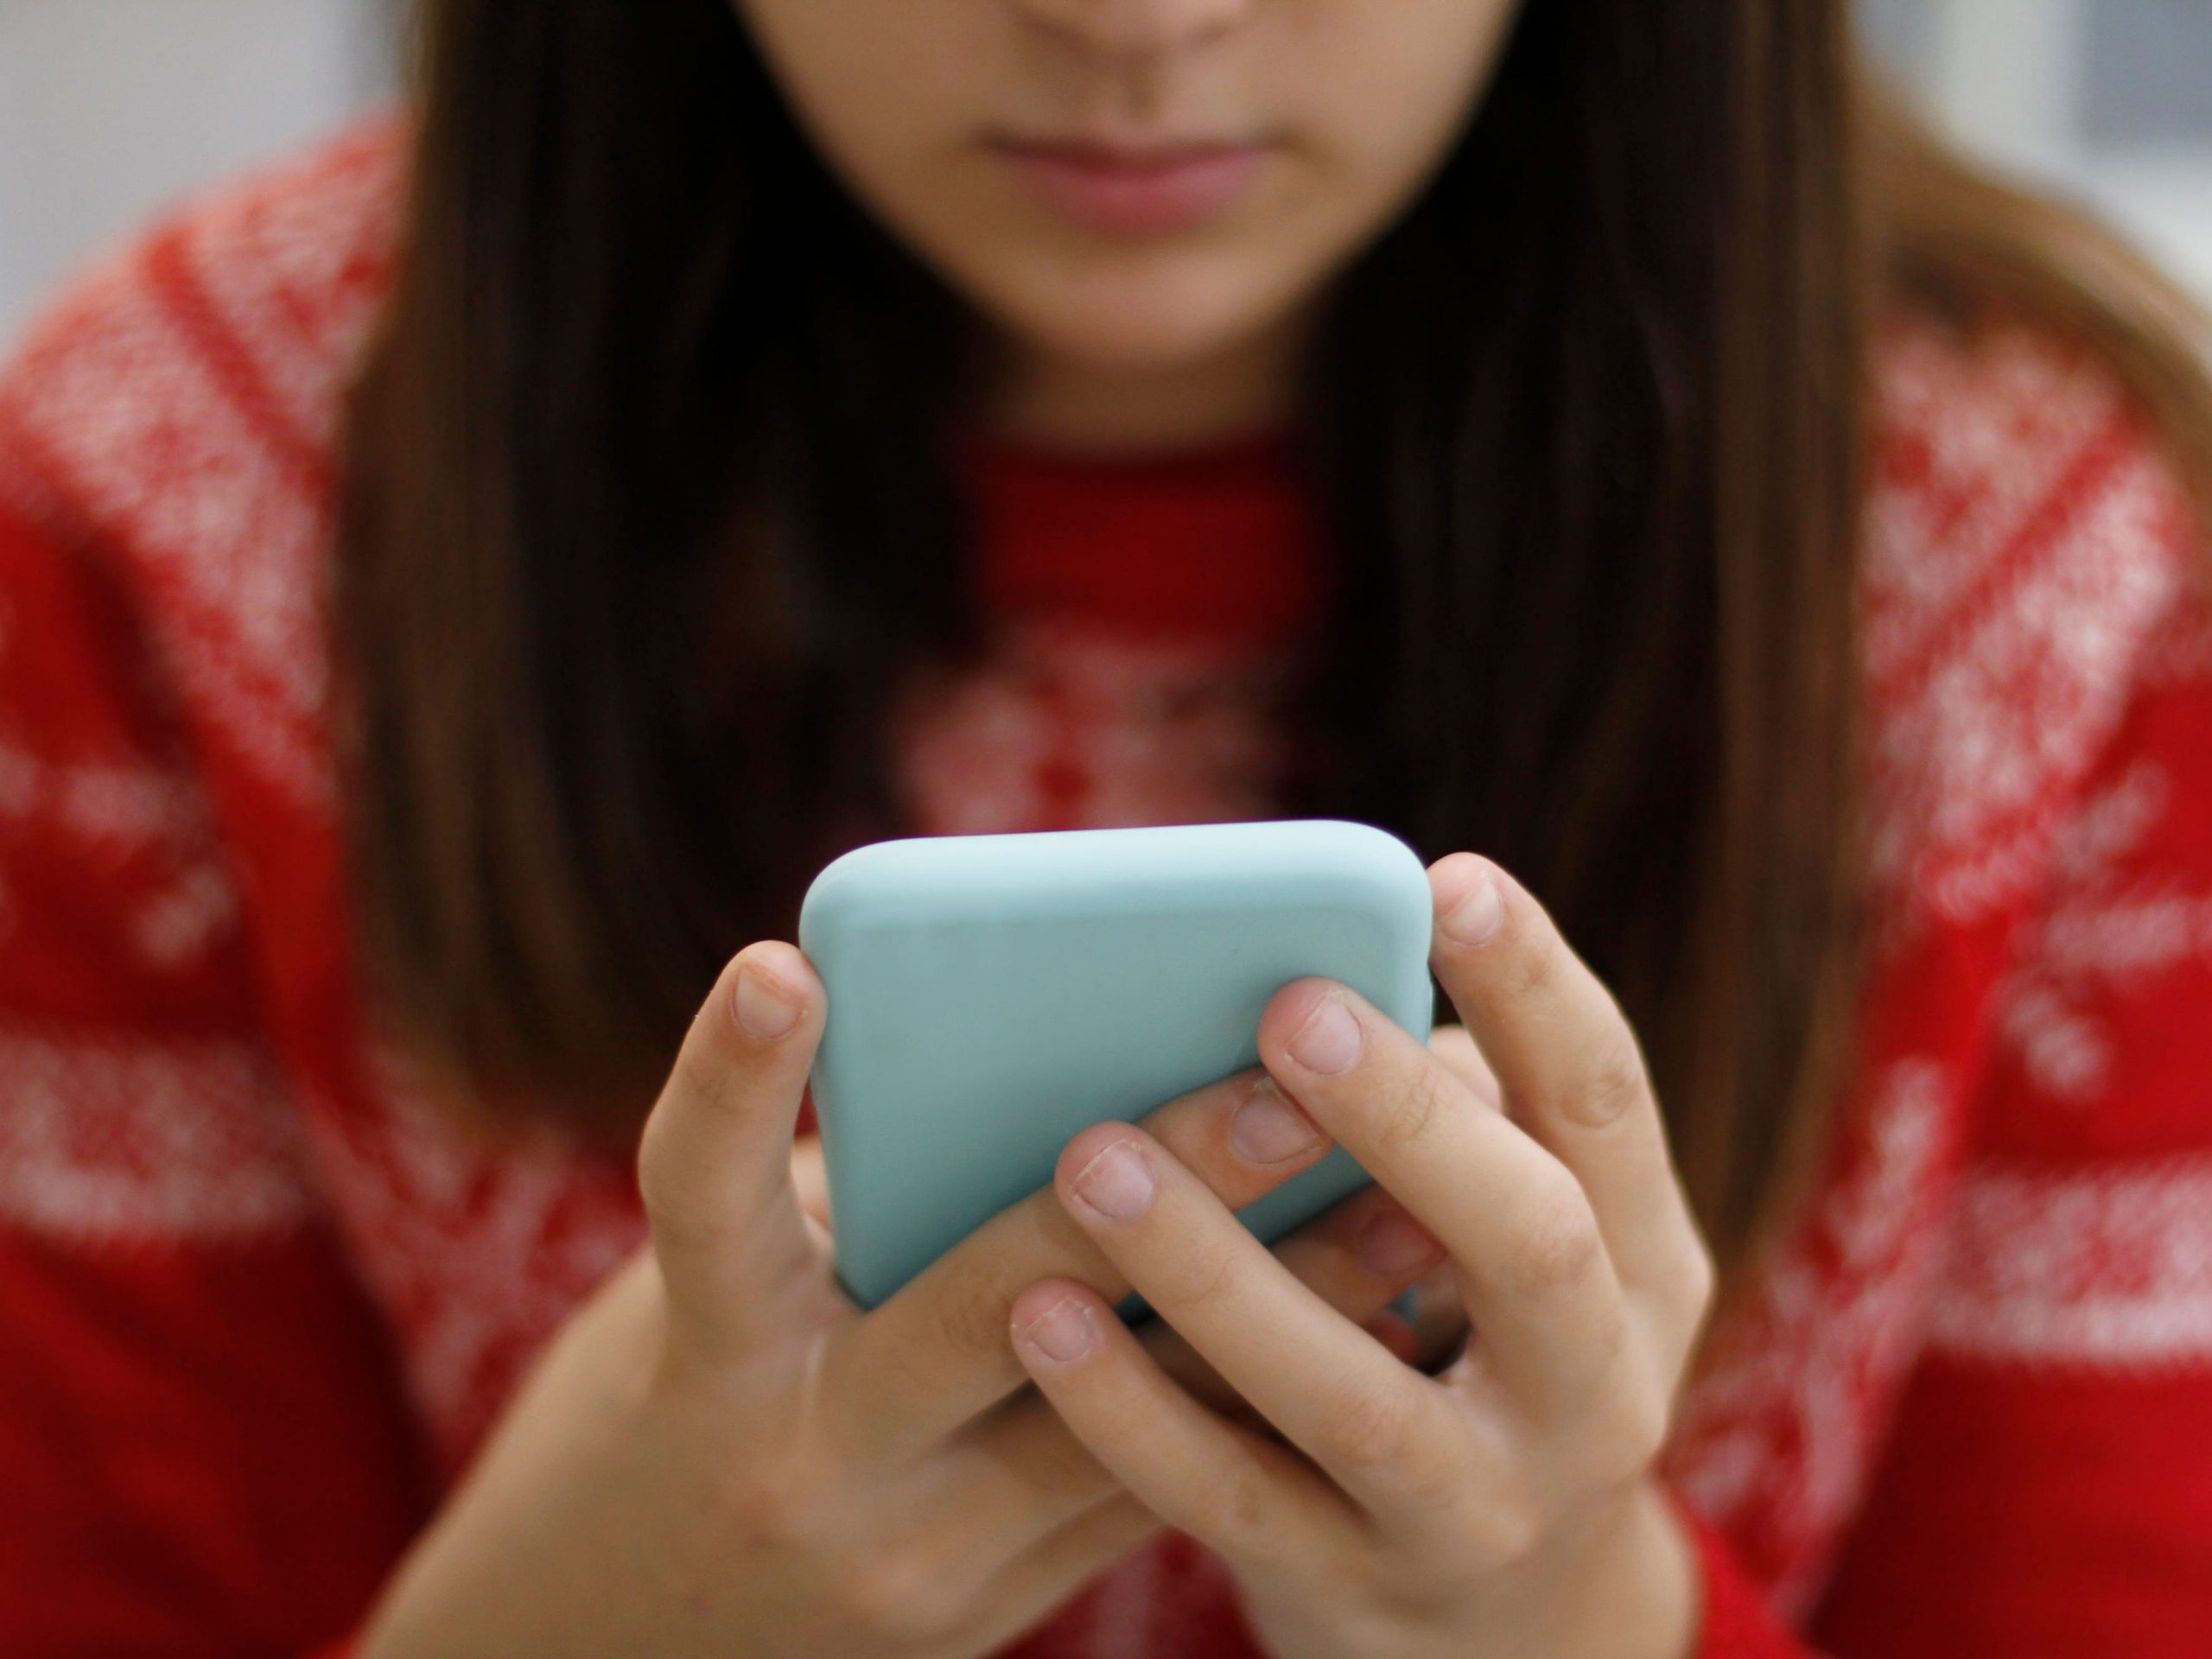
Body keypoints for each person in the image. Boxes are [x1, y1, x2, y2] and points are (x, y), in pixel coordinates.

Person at [2, 1, 2209, 1654]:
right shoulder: (175, 487)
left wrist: (1569, 1615)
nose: (1135, 23)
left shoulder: (2069, 546)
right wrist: (552, 1616)